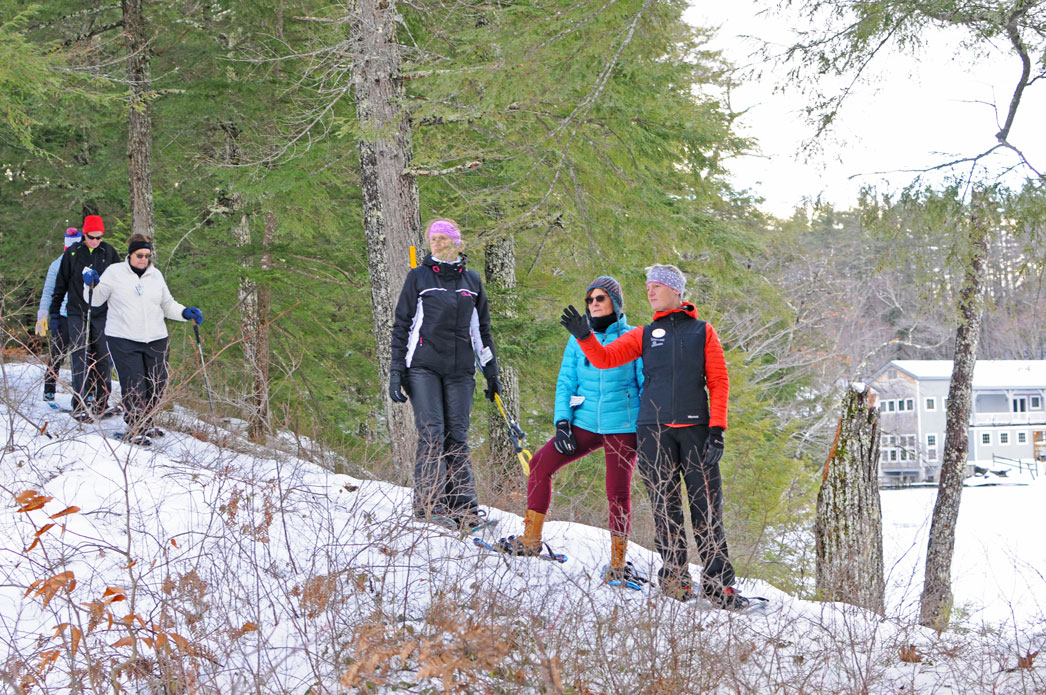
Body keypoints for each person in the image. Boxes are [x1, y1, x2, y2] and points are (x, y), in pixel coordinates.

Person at [559, 264, 750, 609]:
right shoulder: (644, 334)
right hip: (653, 433)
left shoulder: (703, 332)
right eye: (647, 286)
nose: (650, 291)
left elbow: (719, 383)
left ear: (677, 291)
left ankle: (718, 585)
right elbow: (605, 359)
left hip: (696, 433)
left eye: (657, 286)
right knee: (665, 508)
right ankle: (675, 580)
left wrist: (718, 429)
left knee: (706, 509)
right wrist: (584, 336)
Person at [495, 277, 646, 587]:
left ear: (615, 303)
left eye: (600, 298)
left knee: (617, 493)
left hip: (622, 426)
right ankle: (531, 539)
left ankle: (618, 563)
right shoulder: (578, 338)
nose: (593, 304)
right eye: (589, 299)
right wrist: (562, 421)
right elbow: (566, 381)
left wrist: (645, 430)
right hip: (585, 422)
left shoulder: (633, 337)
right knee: (540, 463)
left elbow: (644, 385)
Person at [389, 218, 500, 531]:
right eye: (432, 239)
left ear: (457, 243)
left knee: (458, 437)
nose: (436, 243)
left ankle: (463, 509)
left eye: (442, 238)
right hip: (422, 367)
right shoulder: (419, 277)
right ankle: (429, 506)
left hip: (461, 371)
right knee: (432, 433)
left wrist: (491, 370)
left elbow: (481, 332)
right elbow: (403, 325)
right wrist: (397, 370)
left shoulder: (473, 282)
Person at [83, 234, 203, 446]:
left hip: (156, 338)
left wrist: (185, 312)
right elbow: (96, 299)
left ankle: (147, 422)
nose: (143, 259)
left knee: (157, 383)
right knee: (134, 383)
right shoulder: (115, 273)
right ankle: (135, 427)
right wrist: (90, 285)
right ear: (130, 255)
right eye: (139, 255)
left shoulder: (155, 275)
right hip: (123, 337)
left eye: (147, 255)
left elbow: (167, 304)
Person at [51, 214, 120, 420]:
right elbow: (61, 284)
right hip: (77, 311)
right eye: (92, 237)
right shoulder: (73, 253)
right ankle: (80, 403)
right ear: (85, 234)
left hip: (101, 312)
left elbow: (119, 282)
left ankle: (101, 402)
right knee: (80, 354)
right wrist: (55, 312)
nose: (95, 241)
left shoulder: (108, 252)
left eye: (99, 237)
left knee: (102, 356)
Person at [36, 228, 83, 402]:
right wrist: (43, 314)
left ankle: (83, 394)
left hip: (81, 315)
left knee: (81, 356)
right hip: (62, 316)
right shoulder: (57, 264)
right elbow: (48, 291)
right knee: (57, 354)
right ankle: (49, 390)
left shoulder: (86, 261)